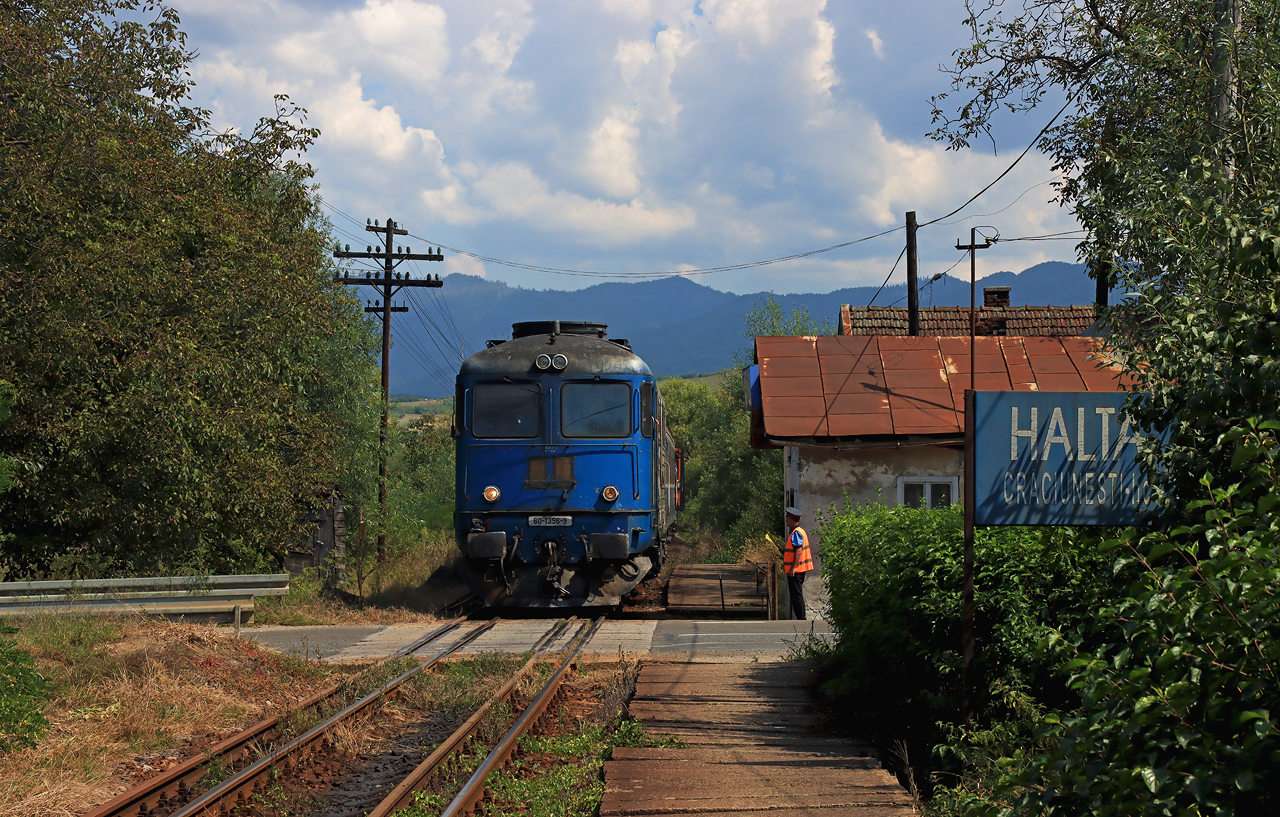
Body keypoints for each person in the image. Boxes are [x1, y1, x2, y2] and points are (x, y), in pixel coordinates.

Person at [783, 506, 814, 620]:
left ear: (791, 520)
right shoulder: (799, 531)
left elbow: (798, 550)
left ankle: (801, 619)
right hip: (800, 569)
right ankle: (801, 618)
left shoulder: (796, 532)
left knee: (796, 595)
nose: (786, 520)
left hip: (797, 570)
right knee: (796, 594)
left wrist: (793, 568)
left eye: (787, 518)